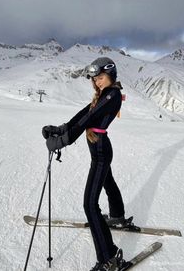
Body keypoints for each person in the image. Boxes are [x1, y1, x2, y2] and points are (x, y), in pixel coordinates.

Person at [42, 57, 129, 271]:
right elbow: (82, 115)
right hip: (99, 149)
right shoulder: (102, 95)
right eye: (95, 79)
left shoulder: (113, 95)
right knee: (108, 181)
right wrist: (60, 129)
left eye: (101, 77)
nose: (97, 82)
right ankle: (117, 215)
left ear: (111, 75)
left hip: (100, 152)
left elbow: (86, 121)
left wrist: (63, 140)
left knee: (90, 205)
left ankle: (109, 257)